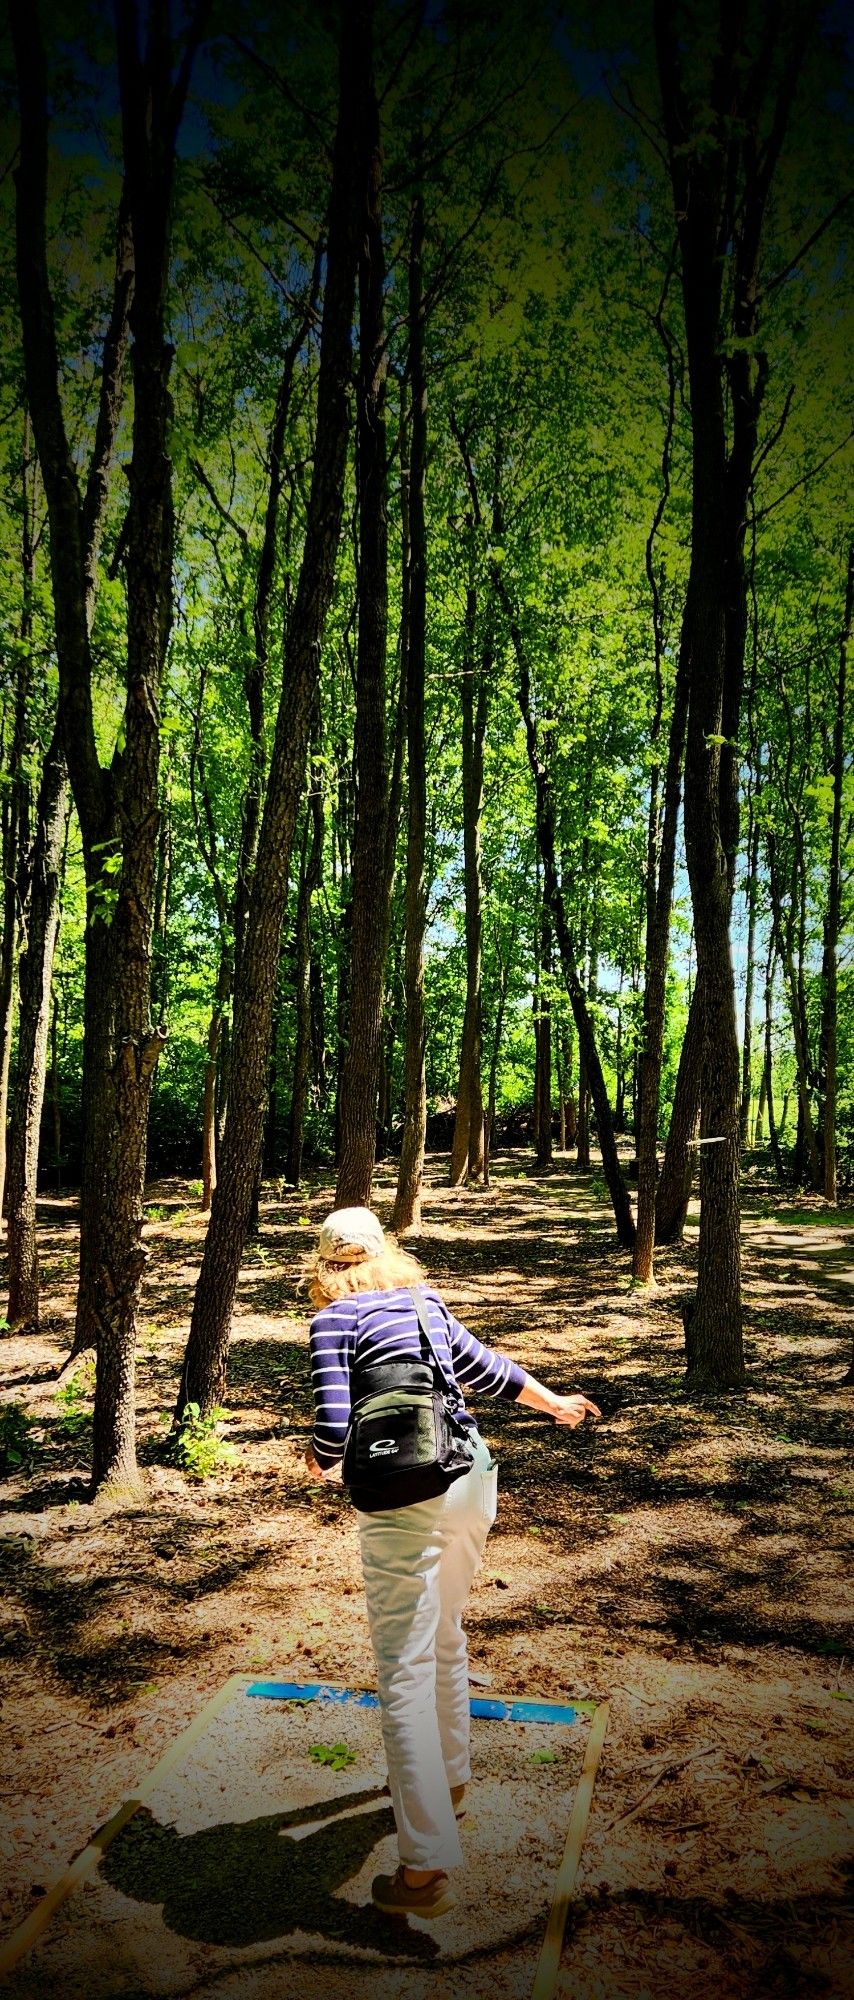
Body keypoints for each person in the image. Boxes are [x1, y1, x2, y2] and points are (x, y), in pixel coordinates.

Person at [303, 1204, 601, 1920]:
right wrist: (554, 1402)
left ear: (325, 1265)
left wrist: (317, 1461)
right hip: (471, 1479)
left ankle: (426, 1866)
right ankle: (454, 1781)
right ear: (386, 1253)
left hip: (401, 1493)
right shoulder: (422, 1300)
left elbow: (334, 1423)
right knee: (445, 1637)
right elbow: (487, 1371)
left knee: (402, 1668)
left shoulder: (331, 1321)